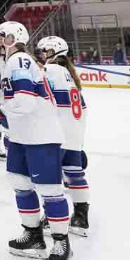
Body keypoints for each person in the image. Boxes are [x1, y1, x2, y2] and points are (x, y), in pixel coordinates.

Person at [0, 20, 73, 260]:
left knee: (49, 189)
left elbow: (25, 102)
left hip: (40, 135)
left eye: (2, 35)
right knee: (19, 182)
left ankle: (62, 243)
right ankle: (33, 235)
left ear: (14, 38)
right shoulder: (10, 62)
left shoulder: (20, 60)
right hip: (21, 136)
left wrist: (0, 112)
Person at [36, 37, 90, 236]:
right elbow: (82, 110)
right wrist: (79, 142)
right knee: (75, 175)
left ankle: (53, 218)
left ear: (55, 52)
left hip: (57, 135)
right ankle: (81, 219)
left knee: (52, 180)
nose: (42, 55)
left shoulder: (51, 71)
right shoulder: (69, 75)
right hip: (73, 136)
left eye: (45, 51)